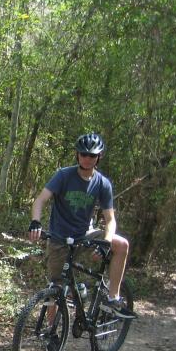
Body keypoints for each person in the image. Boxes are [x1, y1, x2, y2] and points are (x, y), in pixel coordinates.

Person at [28, 132, 135, 319]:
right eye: (83, 154)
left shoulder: (102, 184)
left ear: (99, 157)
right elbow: (40, 200)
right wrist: (36, 222)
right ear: (77, 155)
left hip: (85, 234)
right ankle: (52, 335)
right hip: (59, 237)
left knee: (122, 244)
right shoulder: (63, 175)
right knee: (55, 289)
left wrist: (106, 243)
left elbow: (110, 219)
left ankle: (112, 297)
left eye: (92, 155)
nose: (87, 158)